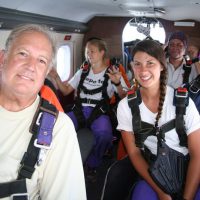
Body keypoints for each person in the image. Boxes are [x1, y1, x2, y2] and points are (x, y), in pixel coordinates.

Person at [0, 24, 86, 199]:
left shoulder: (58, 128)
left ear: (46, 71)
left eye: (41, 60)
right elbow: (68, 89)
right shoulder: (81, 72)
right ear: (2, 58)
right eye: (23, 53)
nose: (30, 66)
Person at [116, 39, 200, 200]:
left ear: (162, 65)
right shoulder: (125, 106)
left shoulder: (183, 102)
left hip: (189, 168)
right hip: (153, 170)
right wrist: (161, 193)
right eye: (137, 64)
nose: (143, 70)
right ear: (132, 67)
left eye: (150, 63)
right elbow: (134, 153)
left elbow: (198, 154)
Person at [49, 37, 128, 180]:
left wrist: (117, 83)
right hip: (80, 109)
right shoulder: (83, 72)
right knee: (58, 127)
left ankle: (93, 163)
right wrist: (56, 77)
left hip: (100, 111)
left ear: (102, 52)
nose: (89, 55)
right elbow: (66, 91)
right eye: (87, 52)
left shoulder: (113, 72)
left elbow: (123, 96)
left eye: (92, 51)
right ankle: (57, 162)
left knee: (104, 135)